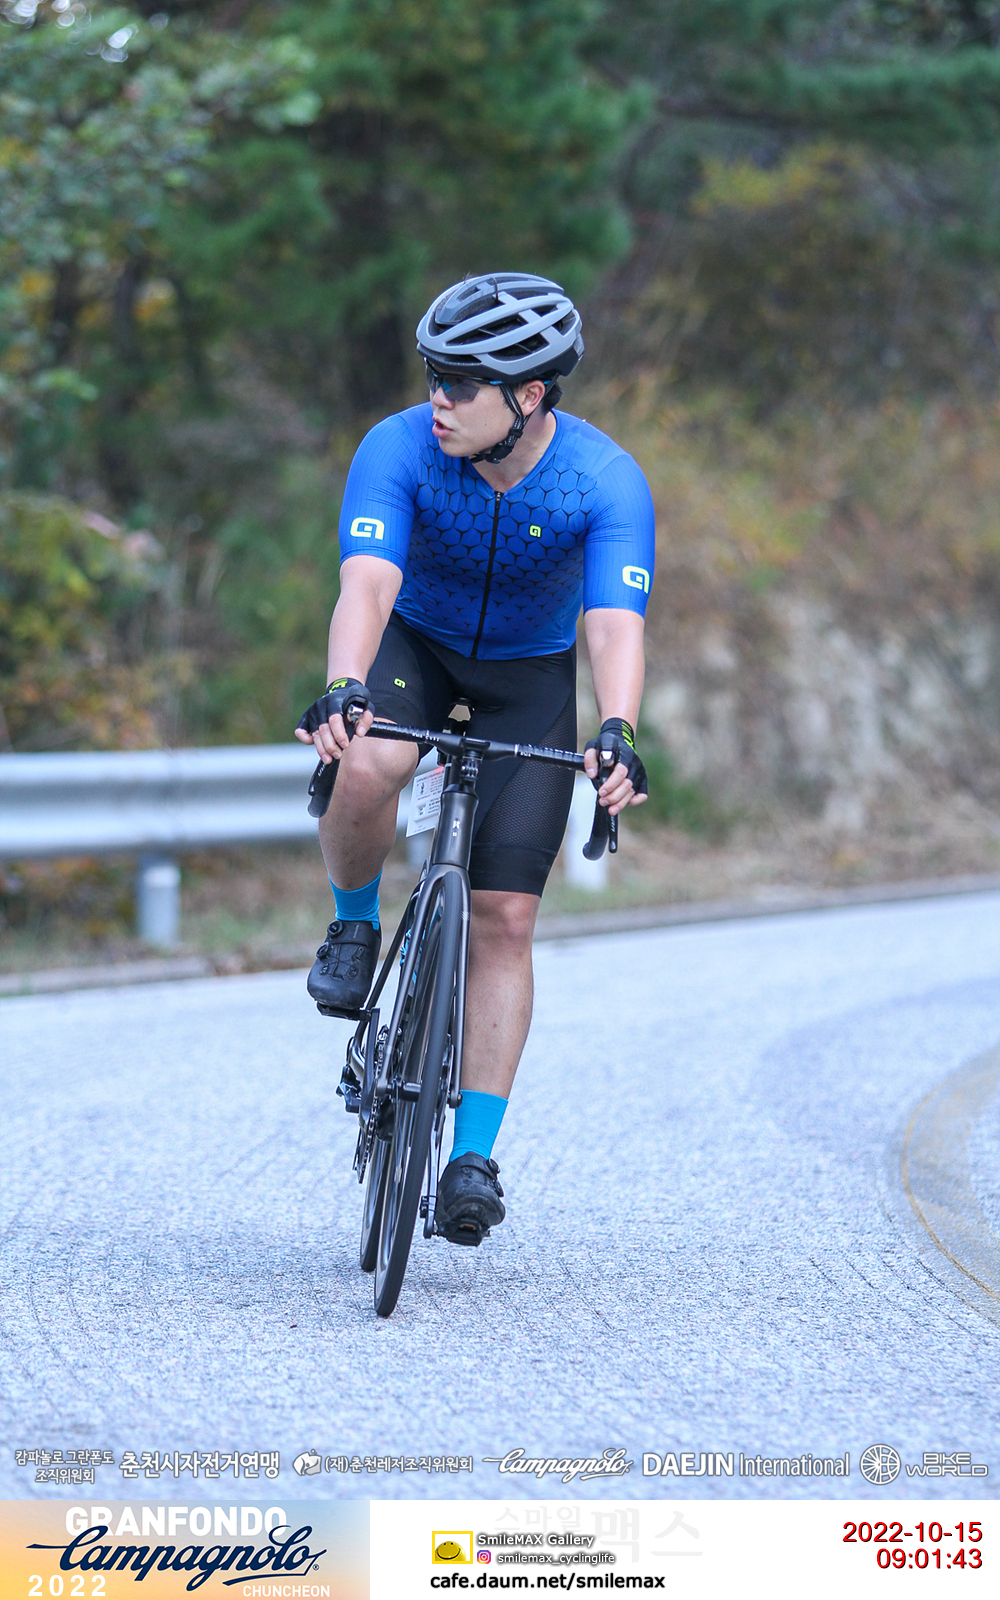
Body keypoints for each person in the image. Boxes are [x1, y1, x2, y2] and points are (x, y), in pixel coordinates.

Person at [294, 272, 654, 1245]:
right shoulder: (398, 446)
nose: (437, 400)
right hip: (414, 648)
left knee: (505, 917)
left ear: (529, 395)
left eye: (459, 384)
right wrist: (345, 681)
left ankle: (472, 1157)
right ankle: (353, 927)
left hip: (528, 676)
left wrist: (618, 727)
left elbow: (613, 623)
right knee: (370, 761)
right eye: (432, 377)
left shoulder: (603, 479)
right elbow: (368, 582)